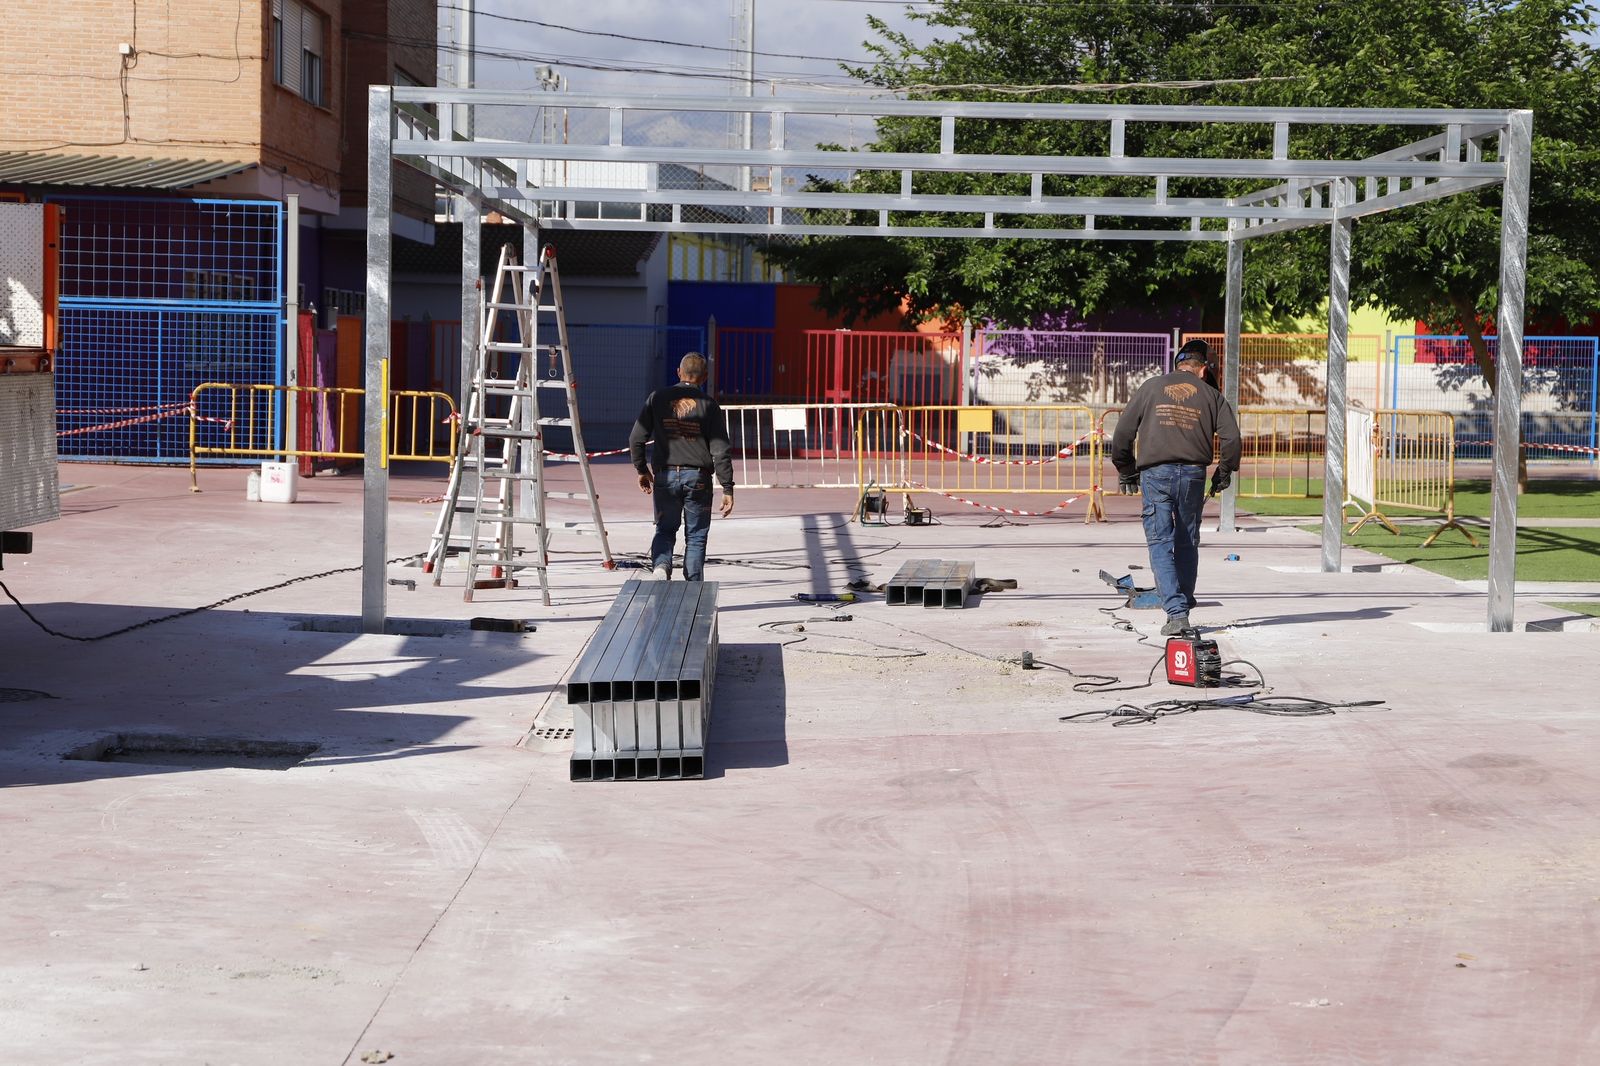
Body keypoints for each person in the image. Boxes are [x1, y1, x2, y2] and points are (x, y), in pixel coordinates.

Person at [1109, 338, 1242, 635]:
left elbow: (1123, 433)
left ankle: (1177, 613)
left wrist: (1126, 470)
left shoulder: (1150, 387)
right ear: (1204, 369)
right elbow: (1231, 439)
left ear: (1179, 364)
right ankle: (1184, 599)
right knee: (1186, 540)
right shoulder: (1212, 396)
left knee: (1159, 542)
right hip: (1194, 474)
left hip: (1156, 473)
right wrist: (1223, 472)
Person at [628, 353, 735, 580]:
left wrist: (642, 470)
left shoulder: (657, 398)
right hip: (698, 478)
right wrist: (727, 487)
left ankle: (661, 567)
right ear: (704, 377)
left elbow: (636, 438)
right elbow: (720, 449)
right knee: (696, 536)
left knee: (665, 529)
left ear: (679, 372)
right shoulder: (709, 405)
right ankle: (693, 585)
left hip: (665, 476)